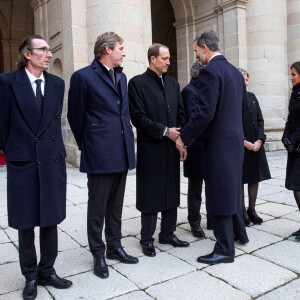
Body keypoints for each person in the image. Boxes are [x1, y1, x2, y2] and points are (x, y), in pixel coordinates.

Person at [0, 35, 72, 300]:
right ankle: (30, 276)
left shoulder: (57, 83)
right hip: (23, 161)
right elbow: (2, 123)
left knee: (50, 218)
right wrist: (16, 151)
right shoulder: (7, 82)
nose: (48, 53)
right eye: (42, 49)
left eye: (49, 49)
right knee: (26, 221)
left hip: (51, 160)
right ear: (27, 54)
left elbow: (51, 124)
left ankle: (48, 270)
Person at [67, 32, 138, 279]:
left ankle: (115, 246)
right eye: (121, 47)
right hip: (99, 152)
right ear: (107, 50)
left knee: (116, 205)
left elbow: (123, 114)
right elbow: (75, 116)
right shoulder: (83, 77)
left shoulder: (121, 76)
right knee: (97, 207)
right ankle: (98, 252)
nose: (124, 52)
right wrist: (89, 144)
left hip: (121, 150)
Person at [176, 31, 248, 265]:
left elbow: (204, 113)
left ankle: (225, 248)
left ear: (205, 48)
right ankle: (232, 238)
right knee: (231, 191)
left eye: (196, 50)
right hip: (235, 141)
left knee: (218, 193)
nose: (196, 55)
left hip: (218, 143)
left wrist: (183, 138)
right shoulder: (236, 74)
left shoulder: (209, 72)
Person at [128, 43, 189, 257]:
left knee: (171, 190)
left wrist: (181, 141)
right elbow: (137, 117)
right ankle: (146, 239)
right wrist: (164, 131)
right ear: (153, 59)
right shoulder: (136, 84)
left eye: (169, 58)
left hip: (172, 148)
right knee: (151, 193)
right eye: (165, 58)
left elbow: (181, 115)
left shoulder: (173, 84)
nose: (168, 62)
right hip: (151, 149)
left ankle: (168, 233)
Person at [238, 68, 271, 225]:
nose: (245, 82)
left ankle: (252, 209)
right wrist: (244, 143)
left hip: (256, 144)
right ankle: (242, 211)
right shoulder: (232, 99)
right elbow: (232, 124)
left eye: (246, 79)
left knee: (254, 178)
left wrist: (260, 140)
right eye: (242, 79)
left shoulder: (252, 97)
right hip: (241, 145)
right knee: (241, 180)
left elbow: (260, 119)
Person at [181, 62, 211, 237]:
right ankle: (194, 222)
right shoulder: (188, 92)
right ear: (199, 73)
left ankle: (212, 219)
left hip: (210, 146)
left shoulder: (207, 90)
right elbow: (194, 119)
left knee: (212, 187)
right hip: (196, 147)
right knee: (196, 188)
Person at [282, 61, 300, 241]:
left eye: (294, 74)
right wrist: (285, 136)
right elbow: (290, 119)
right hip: (294, 148)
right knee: (295, 185)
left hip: (298, 146)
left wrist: (292, 138)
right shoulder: (295, 94)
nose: (291, 77)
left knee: (298, 186)